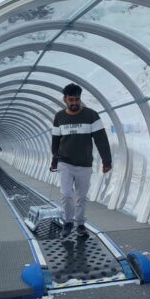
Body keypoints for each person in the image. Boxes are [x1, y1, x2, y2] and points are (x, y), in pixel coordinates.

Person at [50, 83, 112, 238]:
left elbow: (101, 140)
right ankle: (68, 221)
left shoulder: (91, 115)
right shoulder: (59, 117)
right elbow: (56, 141)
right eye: (71, 99)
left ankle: (80, 223)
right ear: (65, 99)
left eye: (77, 99)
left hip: (84, 163)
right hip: (65, 162)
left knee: (81, 196)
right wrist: (54, 159)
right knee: (66, 193)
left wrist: (107, 161)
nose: (74, 103)